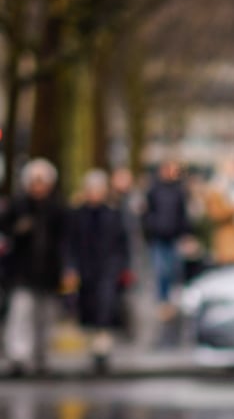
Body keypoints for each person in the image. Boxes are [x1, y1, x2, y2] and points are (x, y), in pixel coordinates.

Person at [1, 158, 67, 376]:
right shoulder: (18, 205)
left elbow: (64, 241)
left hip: (48, 272)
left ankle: (40, 357)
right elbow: (7, 233)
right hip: (22, 272)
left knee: (44, 317)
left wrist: (66, 268)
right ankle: (18, 357)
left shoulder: (56, 208)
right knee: (21, 313)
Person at [65, 169, 130, 373]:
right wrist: (71, 267)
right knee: (90, 310)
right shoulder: (77, 215)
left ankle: (102, 352)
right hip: (86, 270)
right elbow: (70, 243)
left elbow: (122, 243)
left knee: (105, 310)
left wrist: (122, 267)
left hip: (107, 270)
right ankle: (95, 349)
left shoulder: (112, 214)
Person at [141, 160, 188, 309]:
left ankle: (171, 298)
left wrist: (186, 234)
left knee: (174, 269)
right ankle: (162, 299)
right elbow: (147, 213)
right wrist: (150, 229)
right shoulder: (154, 190)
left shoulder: (179, 190)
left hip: (174, 236)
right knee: (160, 269)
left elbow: (182, 214)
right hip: (158, 235)